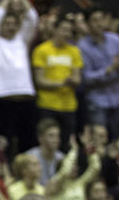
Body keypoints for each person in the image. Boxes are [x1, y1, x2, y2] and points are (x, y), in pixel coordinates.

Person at [0, 0, 38, 155]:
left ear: (17, 26)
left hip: (26, 96)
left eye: (13, 24)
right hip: (3, 97)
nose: (9, 27)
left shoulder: (22, 40)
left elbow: (33, 18)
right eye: (6, 24)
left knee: (28, 140)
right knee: (4, 141)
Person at [78, 7, 119, 140]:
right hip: (97, 101)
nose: (99, 23)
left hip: (118, 98)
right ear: (87, 24)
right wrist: (109, 69)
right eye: (95, 20)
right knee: (100, 141)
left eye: (101, 19)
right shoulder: (83, 46)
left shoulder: (115, 39)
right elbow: (86, 77)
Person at [32, 16, 83, 148]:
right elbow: (39, 80)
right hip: (47, 104)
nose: (67, 34)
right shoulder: (42, 50)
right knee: (47, 143)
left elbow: (78, 78)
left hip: (69, 105)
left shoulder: (74, 51)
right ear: (54, 29)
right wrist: (62, 83)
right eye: (64, 30)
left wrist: (73, 81)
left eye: (69, 31)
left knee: (67, 144)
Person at [46, 136, 101, 200]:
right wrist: (74, 151)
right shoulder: (56, 185)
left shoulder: (80, 183)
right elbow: (65, 172)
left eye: (76, 165)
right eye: (73, 165)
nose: (75, 168)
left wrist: (89, 150)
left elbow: (95, 168)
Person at [26, 117, 65, 185]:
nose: (56, 140)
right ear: (40, 138)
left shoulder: (62, 158)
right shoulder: (30, 157)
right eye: (51, 136)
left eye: (57, 136)